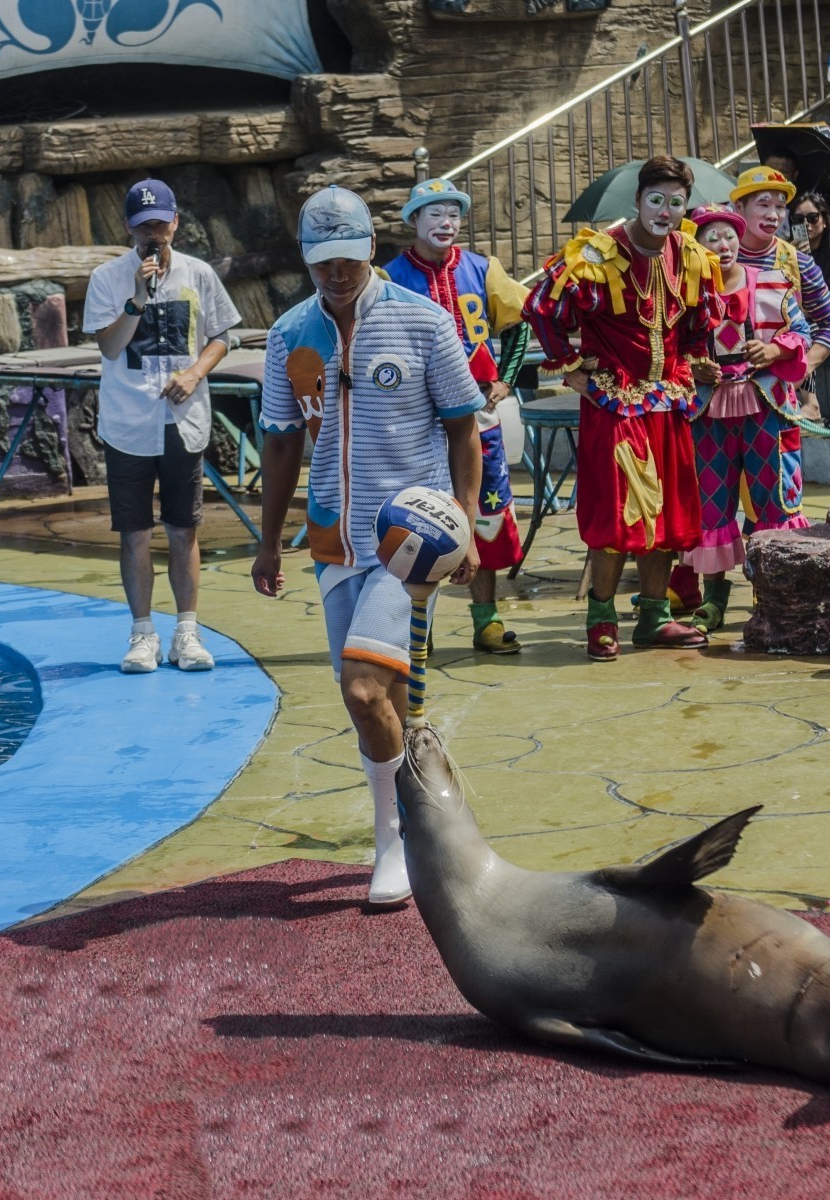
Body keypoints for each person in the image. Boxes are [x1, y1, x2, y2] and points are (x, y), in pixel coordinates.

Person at [251, 185, 482, 907]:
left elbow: (463, 426)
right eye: (322, 262)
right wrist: (267, 543)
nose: (336, 275)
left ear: (370, 250)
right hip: (331, 537)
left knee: (360, 688)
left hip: (409, 537)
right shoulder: (290, 333)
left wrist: (466, 519)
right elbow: (282, 441)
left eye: (348, 260)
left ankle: (393, 842)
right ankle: (423, 792)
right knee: (383, 696)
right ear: (306, 259)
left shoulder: (423, 321)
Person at [523, 155, 725, 662]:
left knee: (671, 516)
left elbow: (699, 319)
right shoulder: (598, 252)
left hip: (670, 402)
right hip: (616, 403)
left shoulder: (692, 253)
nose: (665, 210)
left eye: (676, 202)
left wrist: (698, 361)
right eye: (655, 200)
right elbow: (541, 306)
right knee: (619, 516)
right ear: (637, 201)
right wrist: (569, 367)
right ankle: (601, 616)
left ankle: (655, 615)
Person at [82, 177, 241, 675]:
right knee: (133, 532)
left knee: (183, 529)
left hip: (181, 420)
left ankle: (187, 632)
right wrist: (135, 298)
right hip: (128, 421)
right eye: (143, 225)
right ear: (129, 229)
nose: (154, 233)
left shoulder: (198, 274)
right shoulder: (107, 278)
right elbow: (109, 348)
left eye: (160, 223)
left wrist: (194, 373)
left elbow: (221, 335)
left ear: (175, 222)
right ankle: (142, 633)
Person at [384, 178, 529, 655]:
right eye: (434, 214)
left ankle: (486, 618)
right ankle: (407, 626)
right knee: (414, 521)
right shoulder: (387, 279)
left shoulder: (483, 269)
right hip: (416, 424)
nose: (446, 223)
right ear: (414, 222)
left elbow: (520, 323)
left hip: (477, 416)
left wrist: (504, 379)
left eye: (453, 215)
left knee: (484, 515)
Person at [681, 206, 812, 634]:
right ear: (697, 248)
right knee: (712, 505)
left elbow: (802, 331)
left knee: (775, 501)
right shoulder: (687, 296)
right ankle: (713, 600)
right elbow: (670, 347)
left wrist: (775, 351)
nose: (723, 246)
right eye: (711, 238)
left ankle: (774, 596)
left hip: (766, 408)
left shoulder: (772, 281)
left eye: (729, 236)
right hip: (709, 411)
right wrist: (694, 364)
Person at [732, 167, 830, 415]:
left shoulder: (798, 263)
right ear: (739, 207)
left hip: (777, 393)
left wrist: (803, 367)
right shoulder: (716, 259)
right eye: (763, 205)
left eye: (780, 207)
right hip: (725, 395)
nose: (773, 215)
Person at [790, 192, 830, 300]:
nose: (805, 223)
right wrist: (791, 259)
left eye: (812, 218)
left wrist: (806, 265)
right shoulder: (788, 250)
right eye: (799, 219)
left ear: (824, 221)